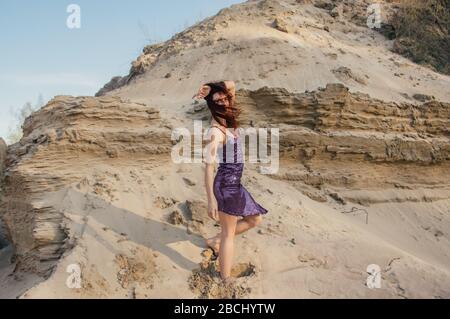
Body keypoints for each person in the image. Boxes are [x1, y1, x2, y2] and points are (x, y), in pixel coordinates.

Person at [193, 80, 269, 284]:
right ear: (211, 105)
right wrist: (211, 200)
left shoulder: (228, 117)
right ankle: (225, 279)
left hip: (236, 184)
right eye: (217, 101)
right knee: (228, 234)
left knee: (254, 219)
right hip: (226, 186)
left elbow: (232, 85)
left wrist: (210, 87)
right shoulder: (215, 132)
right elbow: (208, 167)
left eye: (225, 98)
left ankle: (213, 240)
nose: (223, 102)